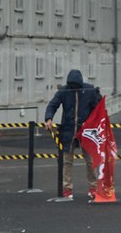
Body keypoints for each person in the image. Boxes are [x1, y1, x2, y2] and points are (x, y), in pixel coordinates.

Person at [43, 69, 102, 201]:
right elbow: (52, 105)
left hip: (86, 131)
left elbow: (98, 108)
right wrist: (49, 118)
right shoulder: (64, 91)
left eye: (75, 86)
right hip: (68, 130)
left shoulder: (89, 90)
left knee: (90, 161)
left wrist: (95, 123)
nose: (73, 88)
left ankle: (93, 188)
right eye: (71, 86)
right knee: (67, 161)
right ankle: (67, 189)